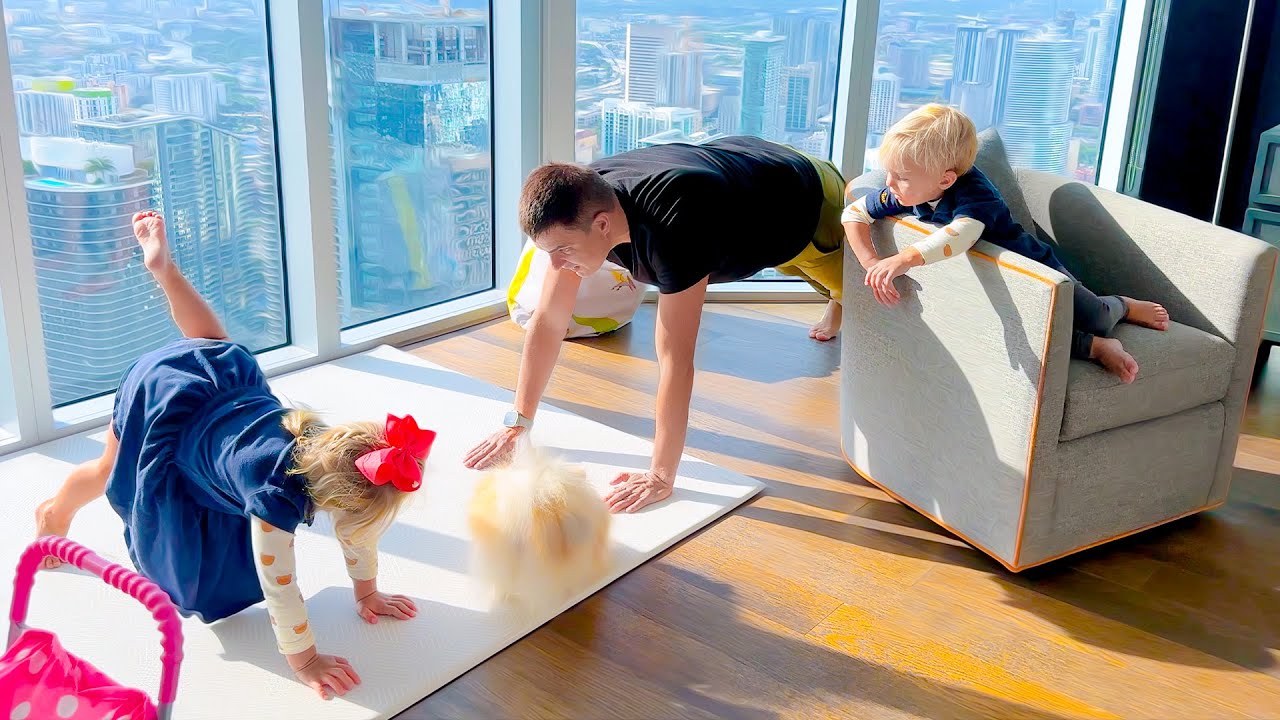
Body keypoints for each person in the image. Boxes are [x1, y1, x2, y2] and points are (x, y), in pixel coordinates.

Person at [33, 211, 430, 701]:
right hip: (164, 406)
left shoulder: (332, 447)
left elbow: (358, 531)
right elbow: (279, 585)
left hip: (218, 375)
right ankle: (54, 514)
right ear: (336, 504)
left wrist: (366, 593)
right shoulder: (273, 501)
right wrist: (304, 660)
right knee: (106, 470)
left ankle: (165, 272)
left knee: (212, 342)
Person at [463, 135, 849, 512]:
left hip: (806, 200)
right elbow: (548, 322)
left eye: (562, 250)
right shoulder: (581, 197)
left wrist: (661, 475)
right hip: (744, 175)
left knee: (848, 290)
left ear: (601, 225)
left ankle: (838, 300)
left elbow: (676, 361)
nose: (557, 265)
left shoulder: (678, 228)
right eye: (549, 252)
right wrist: (518, 423)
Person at [842, 104, 1169, 382]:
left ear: (945, 179)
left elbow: (958, 237)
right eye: (888, 172)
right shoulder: (908, 191)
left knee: (1093, 316)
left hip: (1034, 269)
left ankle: (1120, 304)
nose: (888, 183)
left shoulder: (976, 194)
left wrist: (902, 259)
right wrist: (872, 263)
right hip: (996, 286)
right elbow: (853, 213)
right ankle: (1097, 348)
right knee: (1034, 334)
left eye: (900, 176)